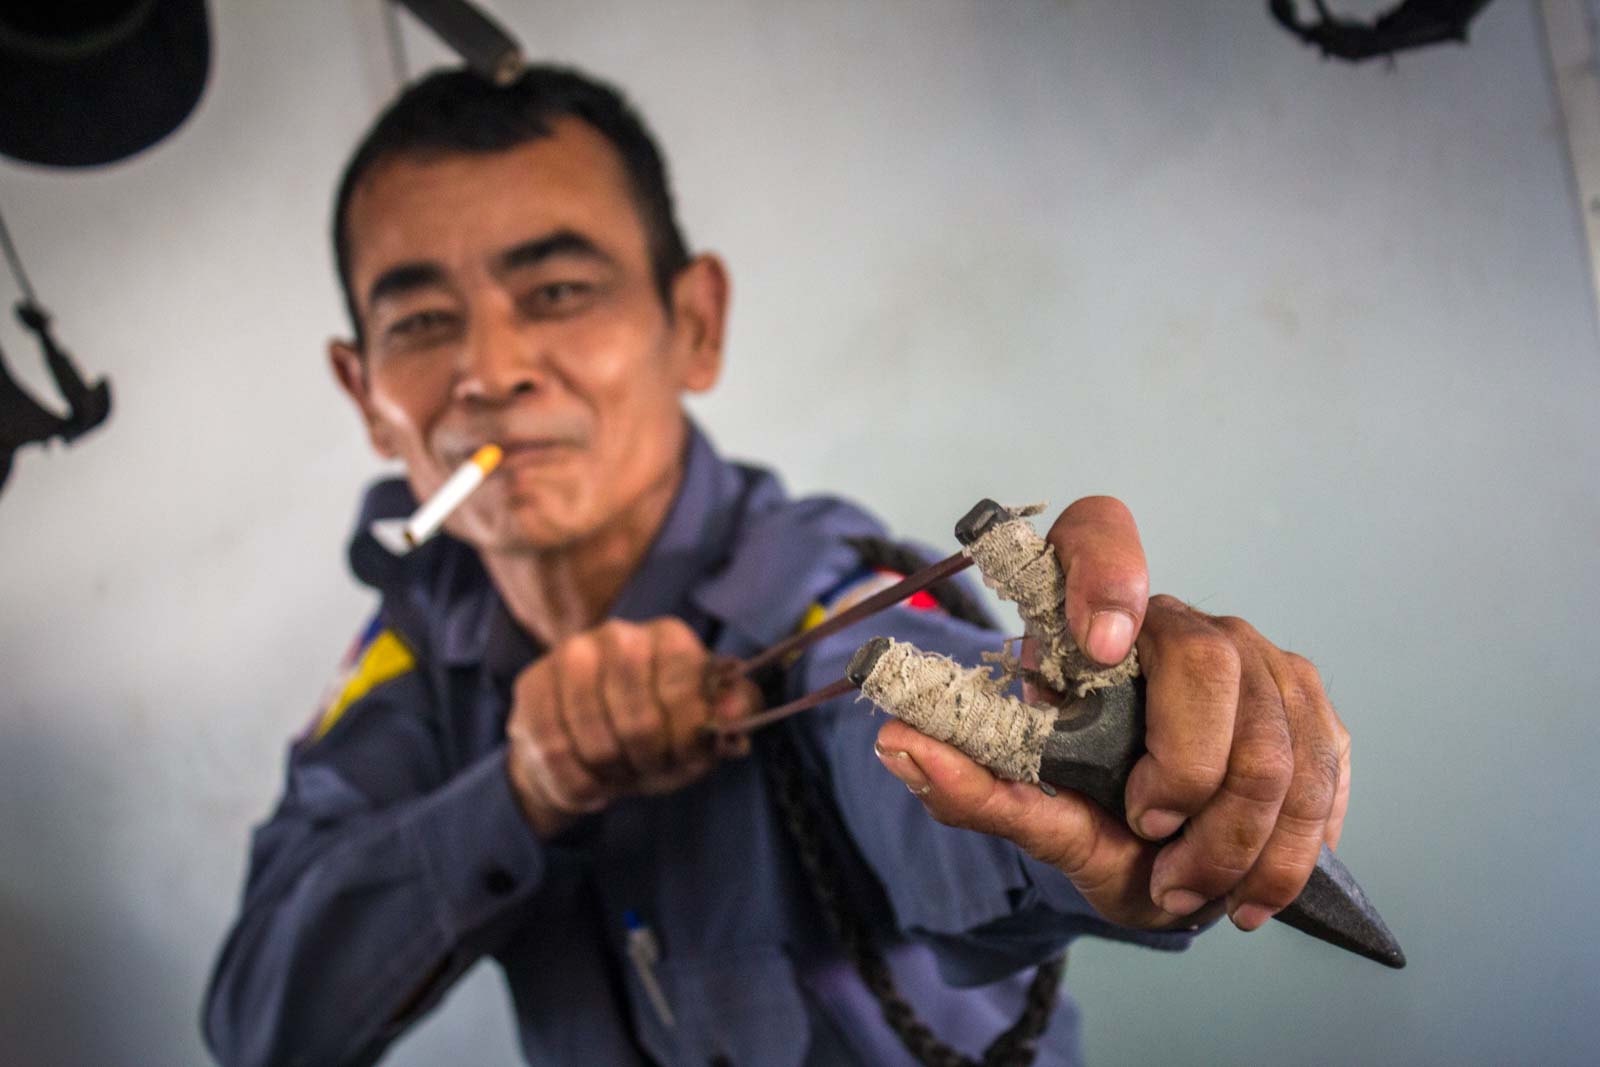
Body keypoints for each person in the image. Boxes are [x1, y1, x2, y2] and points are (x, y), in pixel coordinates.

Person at [203, 66, 1352, 1067]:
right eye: (419, 323)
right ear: (366, 396)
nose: (487, 369)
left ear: (694, 321)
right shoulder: (418, 648)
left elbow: (911, 701)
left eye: (557, 292)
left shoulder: (819, 585)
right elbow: (264, 1025)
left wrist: (1096, 748)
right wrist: (522, 793)